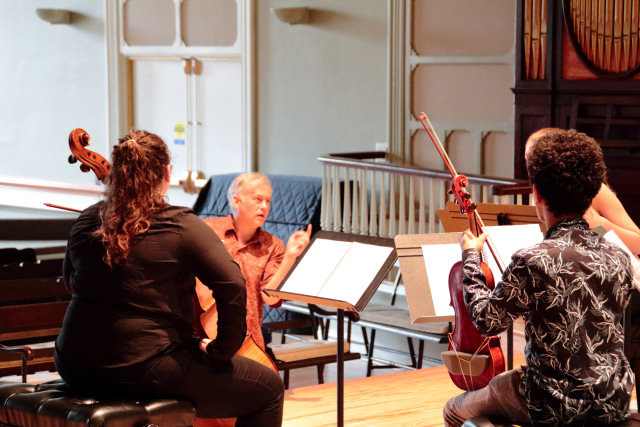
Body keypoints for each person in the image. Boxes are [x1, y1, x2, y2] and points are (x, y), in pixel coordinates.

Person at [54, 131, 284, 426]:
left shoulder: (86, 219)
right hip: (145, 366)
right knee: (269, 389)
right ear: (166, 173)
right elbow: (232, 285)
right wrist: (222, 350)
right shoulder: (180, 224)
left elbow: (71, 282)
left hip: (75, 365)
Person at [443, 129, 635, 426]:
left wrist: (471, 255)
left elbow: (486, 321)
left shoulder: (533, 259)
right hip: (612, 399)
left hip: (547, 401)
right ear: (590, 196)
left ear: (537, 195)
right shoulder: (619, 257)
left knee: (454, 409)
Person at [197, 172, 311, 351]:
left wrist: (290, 257)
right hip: (203, 334)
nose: (264, 206)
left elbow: (270, 299)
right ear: (236, 201)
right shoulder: (207, 230)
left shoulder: (273, 245)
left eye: (268, 201)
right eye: (258, 199)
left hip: (249, 340)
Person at [526, 128, 640, 255]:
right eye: (528, 160)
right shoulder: (540, 190)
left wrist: (599, 224)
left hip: (600, 261)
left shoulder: (597, 190)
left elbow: (638, 243)